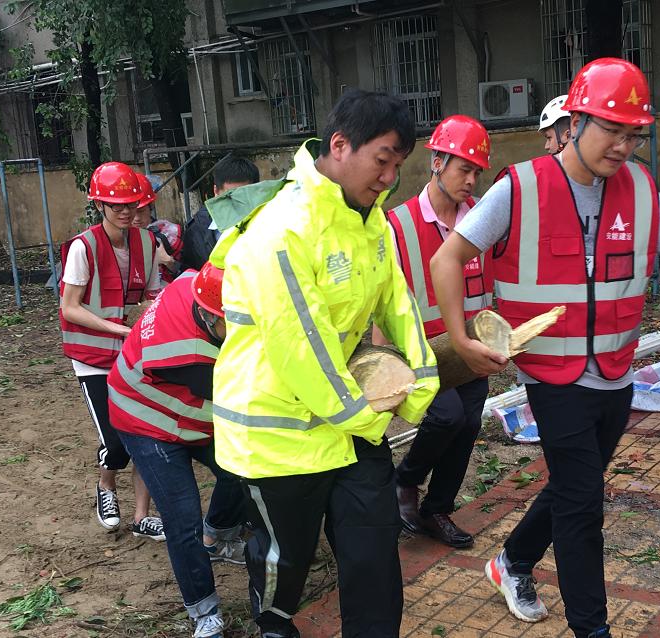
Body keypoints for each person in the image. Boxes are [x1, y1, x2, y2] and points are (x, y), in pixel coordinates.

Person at [430, 58, 660, 638]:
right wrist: (462, 338)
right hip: (549, 374)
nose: (623, 145)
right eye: (611, 129)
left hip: (615, 372)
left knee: (572, 485)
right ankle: (593, 629)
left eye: (633, 133)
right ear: (576, 118)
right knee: (584, 506)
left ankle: (510, 561)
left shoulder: (639, 188)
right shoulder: (522, 186)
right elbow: (448, 258)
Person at [208, 90, 440, 638]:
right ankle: (274, 624)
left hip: (349, 425)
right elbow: (300, 346)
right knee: (286, 561)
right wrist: (369, 415)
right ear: (339, 146)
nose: (389, 177)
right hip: (280, 438)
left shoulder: (371, 223)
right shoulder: (283, 229)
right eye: (382, 160)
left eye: (398, 166)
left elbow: (397, 302)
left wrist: (423, 379)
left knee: (373, 554)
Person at [107, 263, 246, 638]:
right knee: (182, 518)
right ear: (209, 315)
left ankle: (217, 536)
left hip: (182, 409)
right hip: (147, 422)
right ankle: (204, 612)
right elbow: (244, 397)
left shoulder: (195, 283)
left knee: (242, 470)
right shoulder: (188, 354)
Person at [375, 115, 493, 548]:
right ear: (437, 162)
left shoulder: (480, 219)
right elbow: (382, 297)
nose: (471, 179)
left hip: (470, 347)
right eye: (464, 168)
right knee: (447, 416)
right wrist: (384, 360)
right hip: (420, 350)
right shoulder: (396, 224)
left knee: (468, 424)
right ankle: (405, 480)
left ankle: (437, 509)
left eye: (477, 171)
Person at [59, 161, 165, 541]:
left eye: (131, 204)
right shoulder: (83, 247)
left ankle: (141, 516)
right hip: (92, 357)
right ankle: (106, 487)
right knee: (116, 441)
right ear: (99, 205)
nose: (125, 211)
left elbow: (153, 296)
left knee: (148, 434)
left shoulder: (148, 242)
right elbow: (69, 307)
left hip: (134, 353)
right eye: (114, 204)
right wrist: (118, 329)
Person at [180, 156, 260, 271]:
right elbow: (189, 275)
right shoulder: (196, 231)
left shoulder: (270, 225)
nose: (236, 204)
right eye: (229, 197)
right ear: (216, 191)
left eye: (242, 197)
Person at [132, 172, 183, 283]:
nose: (136, 218)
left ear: (150, 207)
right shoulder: (116, 239)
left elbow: (190, 275)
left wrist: (168, 261)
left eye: (140, 211)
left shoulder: (169, 235)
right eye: (132, 211)